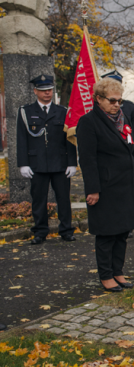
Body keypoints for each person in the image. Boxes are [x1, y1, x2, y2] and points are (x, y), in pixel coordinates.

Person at [77, 77, 134, 292]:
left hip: (126, 185)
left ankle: (118, 272)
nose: (116, 105)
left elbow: (133, 150)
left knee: (122, 232)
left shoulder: (123, 119)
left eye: (119, 101)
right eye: (112, 100)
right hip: (105, 187)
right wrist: (93, 189)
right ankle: (106, 275)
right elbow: (87, 160)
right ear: (98, 99)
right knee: (107, 234)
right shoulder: (88, 122)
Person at [16, 74, 77, 245]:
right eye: (43, 91)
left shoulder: (63, 111)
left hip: (60, 163)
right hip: (37, 163)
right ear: (35, 91)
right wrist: (23, 164)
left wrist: (72, 162)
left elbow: (69, 139)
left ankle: (66, 230)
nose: (47, 93)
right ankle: (40, 231)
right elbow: (21, 139)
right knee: (39, 199)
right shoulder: (25, 112)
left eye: (49, 90)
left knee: (64, 199)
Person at [103, 71, 134, 239]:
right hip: (108, 163)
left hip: (127, 160)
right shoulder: (98, 108)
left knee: (129, 196)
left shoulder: (130, 107)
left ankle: (127, 226)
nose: (116, 104)